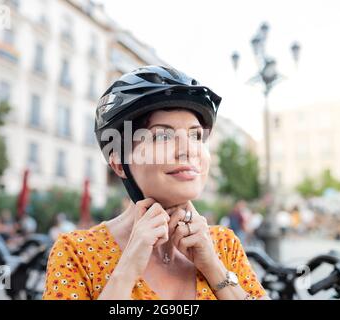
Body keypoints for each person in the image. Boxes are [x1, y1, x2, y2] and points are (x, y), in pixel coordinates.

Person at [43, 66, 268, 300]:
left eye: (196, 135)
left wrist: (213, 267)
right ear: (119, 163)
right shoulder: (76, 252)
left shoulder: (224, 244)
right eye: (162, 136)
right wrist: (127, 268)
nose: (188, 150)